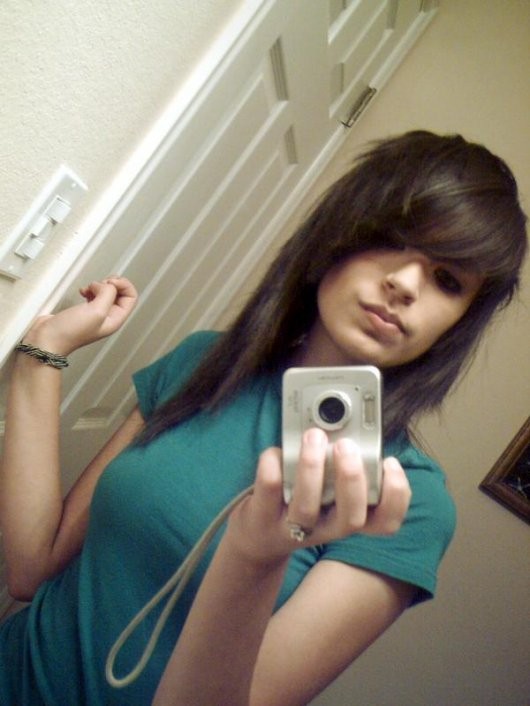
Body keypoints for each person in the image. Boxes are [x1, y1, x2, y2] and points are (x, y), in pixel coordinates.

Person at [0, 130, 527, 706]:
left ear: (458, 323)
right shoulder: (205, 362)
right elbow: (31, 566)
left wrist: (254, 556)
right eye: (394, 239)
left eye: (448, 280)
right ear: (338, 236)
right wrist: (43, 354)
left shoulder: (405, 502)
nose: (404, 284)